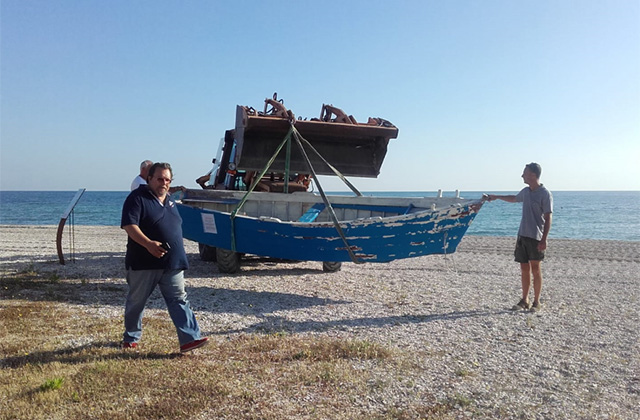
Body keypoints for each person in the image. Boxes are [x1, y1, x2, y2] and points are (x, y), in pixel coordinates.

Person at [120, 162, 208, 352]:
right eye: (160, 178)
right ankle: (131, 337)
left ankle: (190, 339)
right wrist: (148, 244)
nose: (164, 183)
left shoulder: (169, 200)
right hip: (143, 263)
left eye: (167, 179)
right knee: (137, 301)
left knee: (179, 299)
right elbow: (129, 226)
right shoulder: (137, 198)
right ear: (149, 178)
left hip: (172, 262)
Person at [488, 163, 553, 312]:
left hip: (536, 237)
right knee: (524, 268)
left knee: (536, 269)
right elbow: (514, 198)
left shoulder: (545, 193)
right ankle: (525, 300)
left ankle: (537, 302)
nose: (522, 175)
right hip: (522, 235)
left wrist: (544, 239)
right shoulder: (526, 191)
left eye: (525, 173)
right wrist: (497, 197)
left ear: (533, 175)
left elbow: (548, 217)